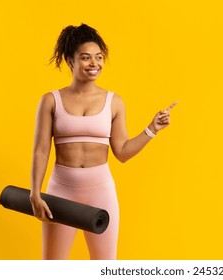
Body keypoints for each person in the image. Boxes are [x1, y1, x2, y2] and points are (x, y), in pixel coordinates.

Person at [29, 23, 177, 260]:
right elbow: (41, 151)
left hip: (101, 192)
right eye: (85, 58)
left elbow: (122, 152)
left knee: (105, 268)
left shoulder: (114, 102)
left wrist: (151, 129)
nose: (94, 64)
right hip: (60, 192)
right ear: (70, 61)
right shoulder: (50, 101)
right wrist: (35, 193)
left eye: (98, 57)